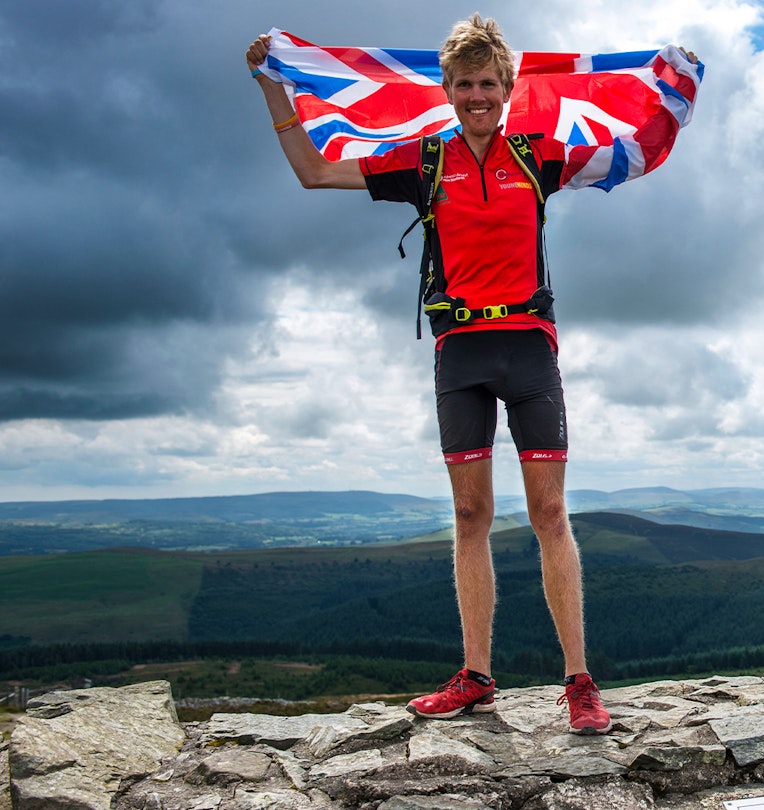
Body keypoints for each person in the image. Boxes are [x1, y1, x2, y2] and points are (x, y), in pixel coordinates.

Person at [245, 16, 698, 735]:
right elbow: (315, 171)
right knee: (469, 517)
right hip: (459, 350)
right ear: (447, 90)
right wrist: (273, 87)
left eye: (488, 84)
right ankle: (478, 676)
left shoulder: (537, 154)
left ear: (509, 88)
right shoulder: (424, 161)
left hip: (528, 348)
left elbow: (632, 156)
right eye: (464, 85)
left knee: (550, 515)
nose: (477, 96)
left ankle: (580, 682)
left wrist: (674, 86)